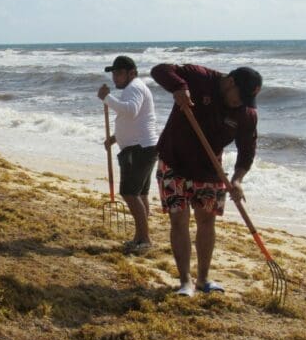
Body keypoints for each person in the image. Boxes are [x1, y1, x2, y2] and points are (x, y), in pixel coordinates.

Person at [151, 63, 262, 297]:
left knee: (206, 223)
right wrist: (179, 88)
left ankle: (203, 279)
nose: (240, 103)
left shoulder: (246, 114)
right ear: (230, 82)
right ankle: (185, 282)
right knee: (179, 221)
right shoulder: (199, 77)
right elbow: (159, 70)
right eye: (239, 97)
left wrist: (238, 179)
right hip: (174, 163)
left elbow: (247, 150)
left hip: (210, 171)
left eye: (246, 101)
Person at [97, 55, 158, 256]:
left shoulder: (135, 87)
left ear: (131, 73)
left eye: (119, 73)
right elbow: (133, 118)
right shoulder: (134, 88)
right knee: (140, 194)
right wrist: (115, 137)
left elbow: (131, 111)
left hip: (138, 149)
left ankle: (145, 239)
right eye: (113, 73)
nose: (115, 78)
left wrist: (107, 98)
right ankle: (140, 237)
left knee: (130, 193)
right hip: (142, 147)